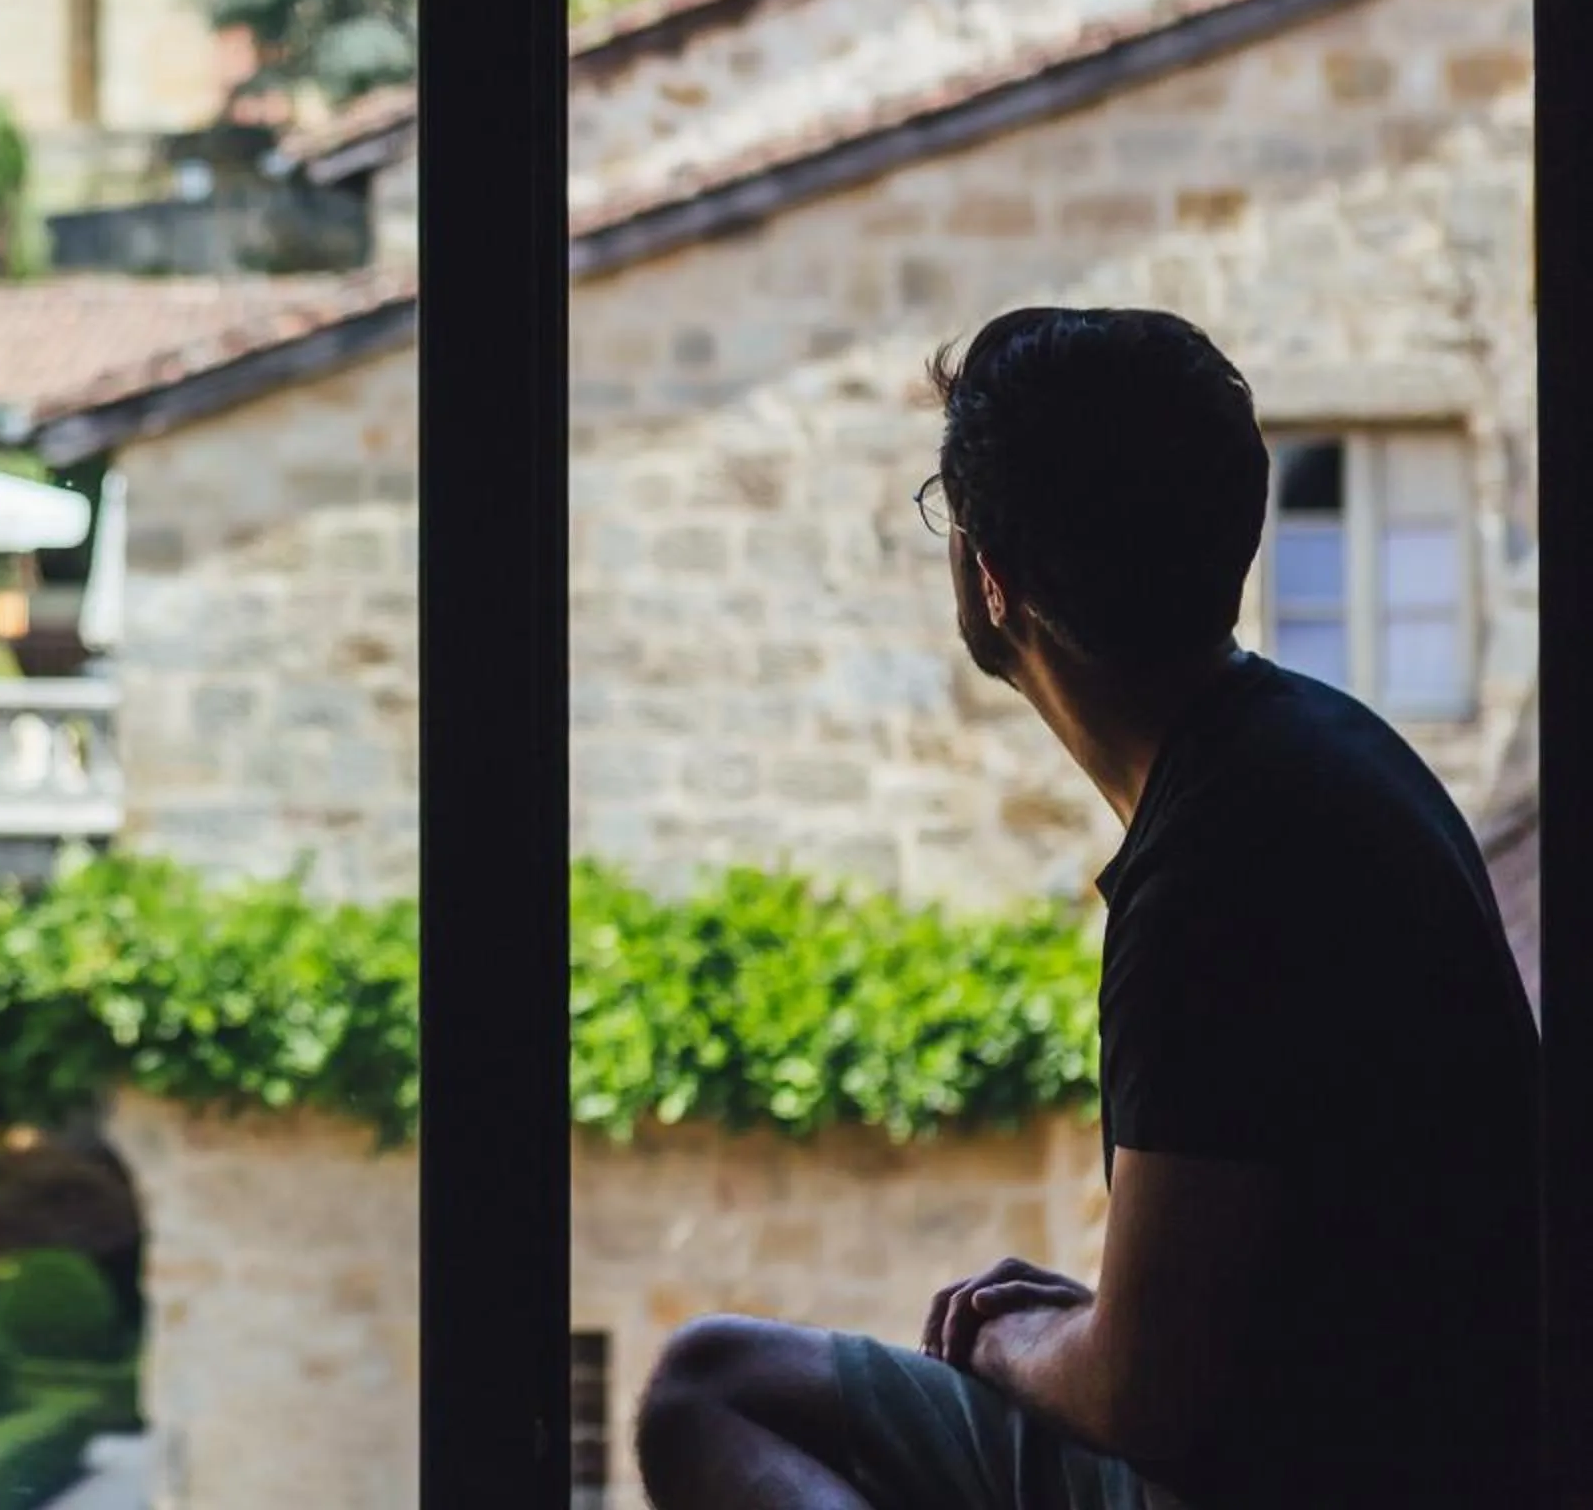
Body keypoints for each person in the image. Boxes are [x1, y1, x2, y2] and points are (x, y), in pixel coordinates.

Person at [632, 307, 1542, 1510]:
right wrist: (1088, 1321)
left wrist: (1006, 1340)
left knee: (710, 1391)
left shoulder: (1213, 871)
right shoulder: (1331, 755)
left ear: (988, 574)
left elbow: (1143, 1398)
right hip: (1416, 1447)